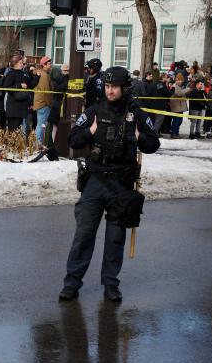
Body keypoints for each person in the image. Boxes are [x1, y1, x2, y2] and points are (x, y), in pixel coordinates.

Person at [60, 66, 160, 302]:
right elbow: (72, 139)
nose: (110, 90)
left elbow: (153, 144)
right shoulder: (94, 111)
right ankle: (72, 283)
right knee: (84, 235)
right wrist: (91, 130)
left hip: (121, 184)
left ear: (124, 88)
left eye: (114, 86)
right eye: (107, 86)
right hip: (95, 181)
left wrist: (138, 137)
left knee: (115, 238)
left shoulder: (136, 114)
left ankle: (111, 284)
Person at [3, 55, 34, 132]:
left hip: (22, 107)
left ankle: (17, 144)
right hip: (13, 108)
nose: (22, 64)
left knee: (19, 131)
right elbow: (7, 88)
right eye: (20, 62)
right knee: (13, 131)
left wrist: (37, 76)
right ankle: (12, 144)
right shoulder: (10, 74)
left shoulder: (23, 73)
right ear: (15, 63)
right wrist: (19, 85)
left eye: (22, 63)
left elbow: (31, 85)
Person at [33, 56, 54, 146]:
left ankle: (37, 144)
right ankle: (38, 145)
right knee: (41, 125)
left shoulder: (42, 74)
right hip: (43, 104)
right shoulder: (44, 75)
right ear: (44, 65)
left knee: (40, 124)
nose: (51, 65)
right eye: (49, 64)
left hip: (40, 103)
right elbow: (46, 92)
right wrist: (49, 104)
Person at [168, 74, 189, 138]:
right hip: (176, 107)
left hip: (180, 107)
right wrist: (188, 89)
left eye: (181, 80)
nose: (180, 81)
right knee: (176, 121)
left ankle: (176, 133)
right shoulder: (174, 86)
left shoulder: (180, 87)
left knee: (179, 121)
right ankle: (174, 134)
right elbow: (179, 93)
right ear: (176, 80)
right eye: (178, 80)